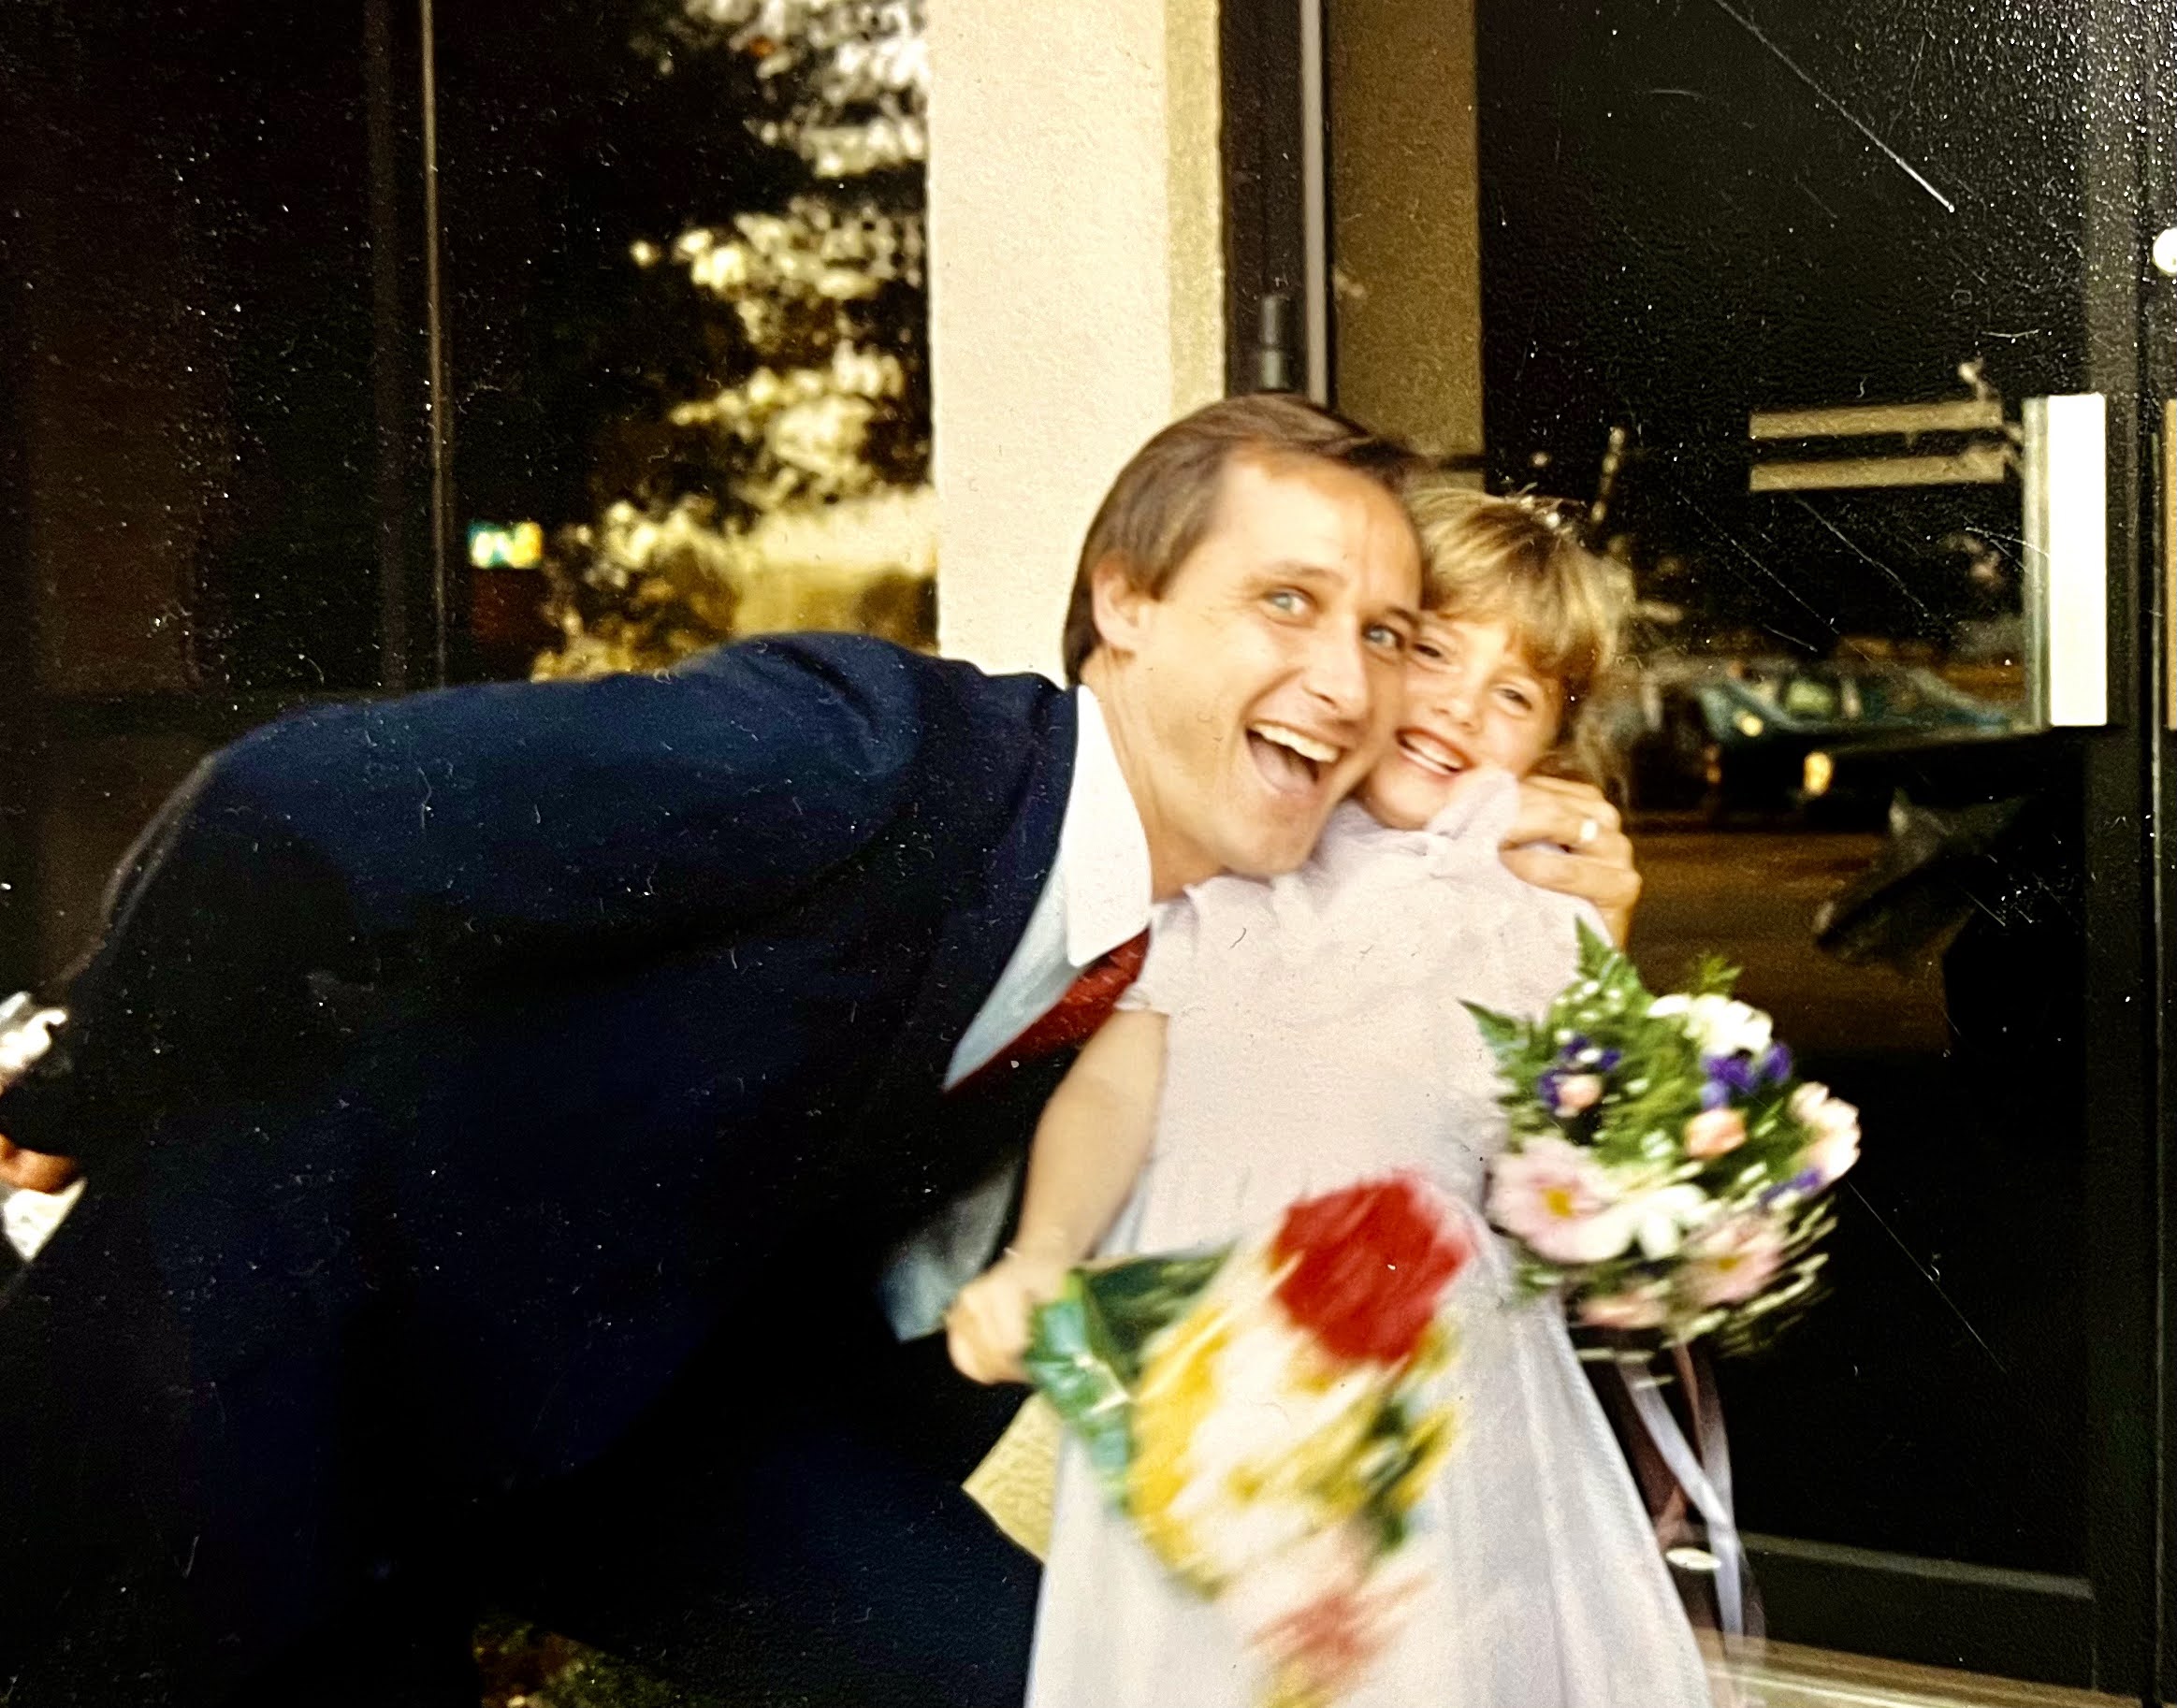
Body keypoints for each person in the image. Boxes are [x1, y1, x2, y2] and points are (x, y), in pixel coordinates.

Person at [0, 399, 1638, 1708]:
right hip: (274, 1367)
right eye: (1287, 602)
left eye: (1389, 633)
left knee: (1035, 1680)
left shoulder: (1205, 939)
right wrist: (79, 1096)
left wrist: (1553, 925)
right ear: (1124, 603)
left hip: (622, 1422)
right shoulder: (862, 754)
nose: (1344, 681)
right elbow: (299, 806)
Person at [947, 485, 1711, 1707]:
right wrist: (1042, 1249)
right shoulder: (1224, 869)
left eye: (1514, 694)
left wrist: (1611, 959)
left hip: (1425, 1428)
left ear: (1550, 745)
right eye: (1433, 651)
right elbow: (1117, 1081)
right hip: (1208, 1400)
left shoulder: (1536, 928)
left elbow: (1586, 1175)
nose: (1461, 705)